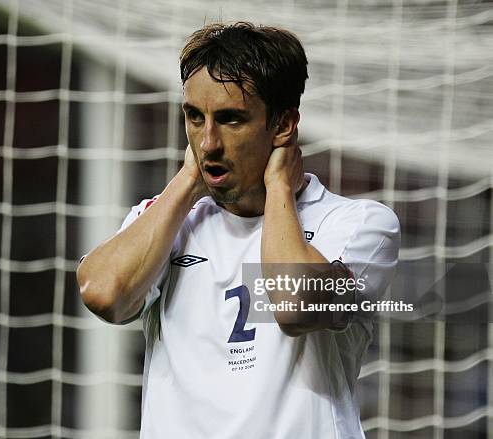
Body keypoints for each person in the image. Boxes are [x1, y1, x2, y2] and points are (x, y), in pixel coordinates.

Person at [77, 22, 400, 439]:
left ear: (283, 125)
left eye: (230, 120)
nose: (208, 142)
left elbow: (294, 304)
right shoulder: (167, 222)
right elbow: (103, 294)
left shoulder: (358, 225)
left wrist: (278, 186)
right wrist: (187, 182)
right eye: (195, 117)